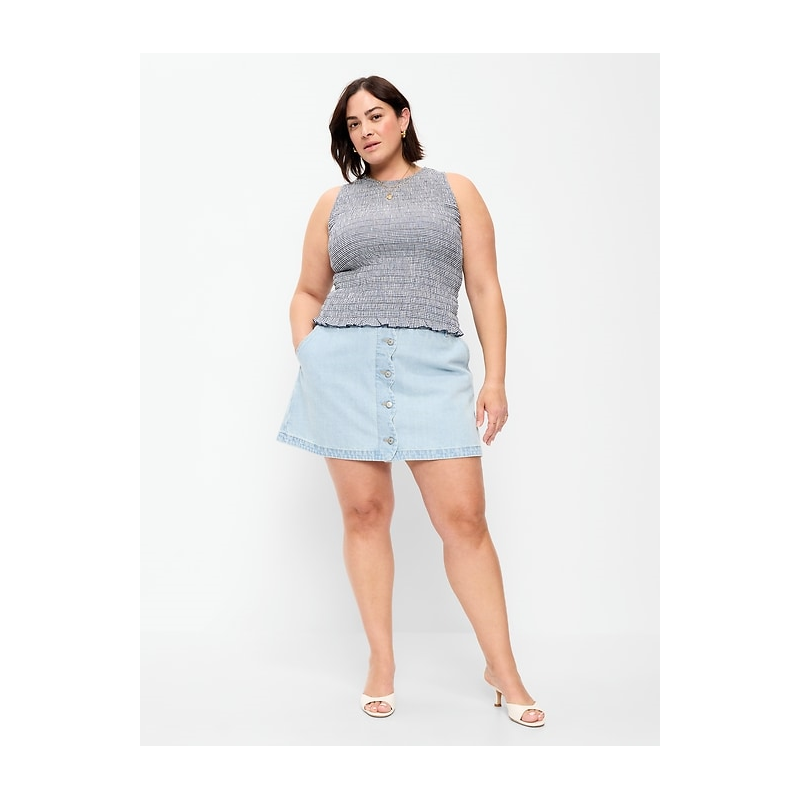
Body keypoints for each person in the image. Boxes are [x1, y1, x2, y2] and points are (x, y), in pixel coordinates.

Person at [277, 75, 545, 728]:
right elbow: (308, 291)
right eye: (352, 124)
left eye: (375, 116)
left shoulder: (456, 191)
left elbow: (484, 286)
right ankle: (381, 662)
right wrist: (312, 354)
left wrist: (495, 378)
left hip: (432, 366)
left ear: (403, 117)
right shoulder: (334, 203)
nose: (364, 130)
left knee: (464, 521)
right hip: (343, 369)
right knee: (365, 513)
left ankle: (503, 668)